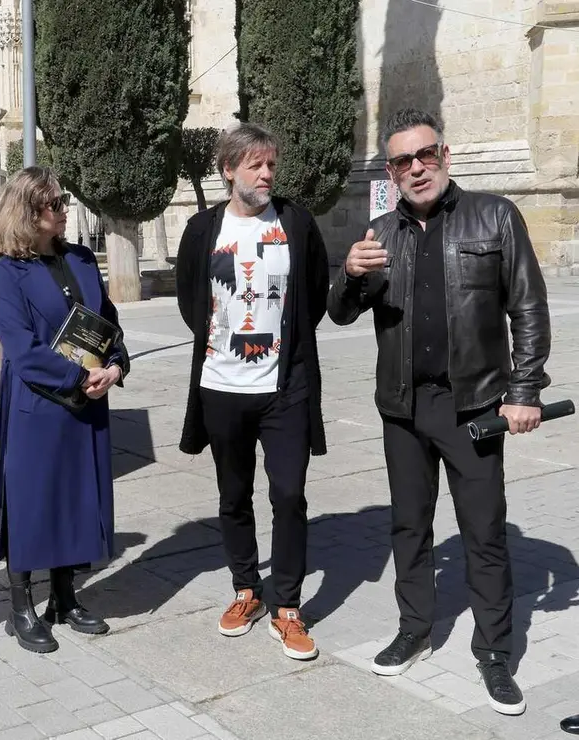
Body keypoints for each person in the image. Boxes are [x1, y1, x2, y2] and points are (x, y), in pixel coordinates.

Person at [327, 108, 551, 716]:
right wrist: (348, 274)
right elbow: (340, 313)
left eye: (426, 155)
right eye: (403, 161)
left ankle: (495, 652)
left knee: (484, 532)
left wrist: (524, 391)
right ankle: (415, 629)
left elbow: (528, 307)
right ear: (391, 172)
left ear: (445, 156)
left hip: (472, 406)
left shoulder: (494, 215)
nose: (417, 168)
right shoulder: (380, 232)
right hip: (403, 407)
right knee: (409, 526)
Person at [175, 121, 330, 661]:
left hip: (284, 387)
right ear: (228, 170)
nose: (266, 174)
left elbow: (314, 293)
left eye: (271, 165)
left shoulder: (296, 222)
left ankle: (287, 605)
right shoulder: (202, 229)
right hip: (221, 385)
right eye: (255, 165)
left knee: (288, 494)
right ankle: (247, 589)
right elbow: (190, 299)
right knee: (233, 495)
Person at [0, 166, 129, 653]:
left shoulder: (82, 259)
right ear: (28, 212)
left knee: (75, 497)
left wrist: (116, 365)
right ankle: (20, 606)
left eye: (63, 200)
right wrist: (78, 377)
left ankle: (64, 599)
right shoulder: (8, 272)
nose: (64, 209)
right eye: (54, 203)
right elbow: (21, 349)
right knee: (32, 501)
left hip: (88, 403)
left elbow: (108, 323)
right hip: (39, 402)